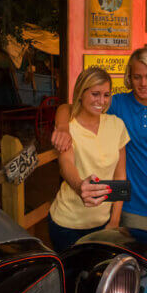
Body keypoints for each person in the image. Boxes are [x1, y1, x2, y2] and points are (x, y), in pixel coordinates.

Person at [53, 48, 147, 243]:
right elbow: (71, 106)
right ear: (129, 77)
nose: (143, 83)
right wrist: (62, 127)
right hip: (129, 208)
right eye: (137, 77)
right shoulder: (116, 103)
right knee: (129, 269)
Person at [47, 67, 130, 252]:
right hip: (67, 224)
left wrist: (114, 220)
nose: (101, 101)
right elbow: (66, 164)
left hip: (103, 223)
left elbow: (120, 175)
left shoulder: (117, 125)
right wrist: (79, 186)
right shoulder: (69, 126)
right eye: (95, 94)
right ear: (81, 93)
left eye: (106, 95)